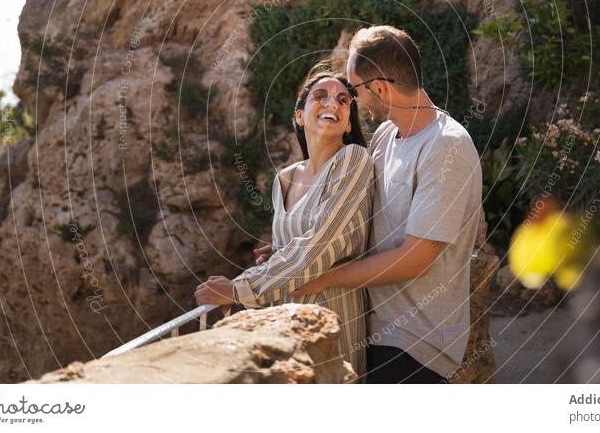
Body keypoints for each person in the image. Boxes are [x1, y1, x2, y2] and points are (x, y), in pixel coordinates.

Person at [288, 25, 483, 383]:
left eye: (354, 90)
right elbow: (355, 219)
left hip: (415, 345)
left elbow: (416, 259)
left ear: (379, 88)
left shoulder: (446, 147)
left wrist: (324, 279)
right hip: (374, 328)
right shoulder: (385, 136)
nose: (354, 99)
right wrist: (295, 249)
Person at [195, 69, 374, 377]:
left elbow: (318, 248)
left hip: (332, 323)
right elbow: (289, 251)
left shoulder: (353, 160)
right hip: (282, 322)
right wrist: (274, 256)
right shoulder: (285, 178)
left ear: (347, 125)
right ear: (300, 116)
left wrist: (238, 289)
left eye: (344, 100)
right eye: (320, 96)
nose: (333, 102)